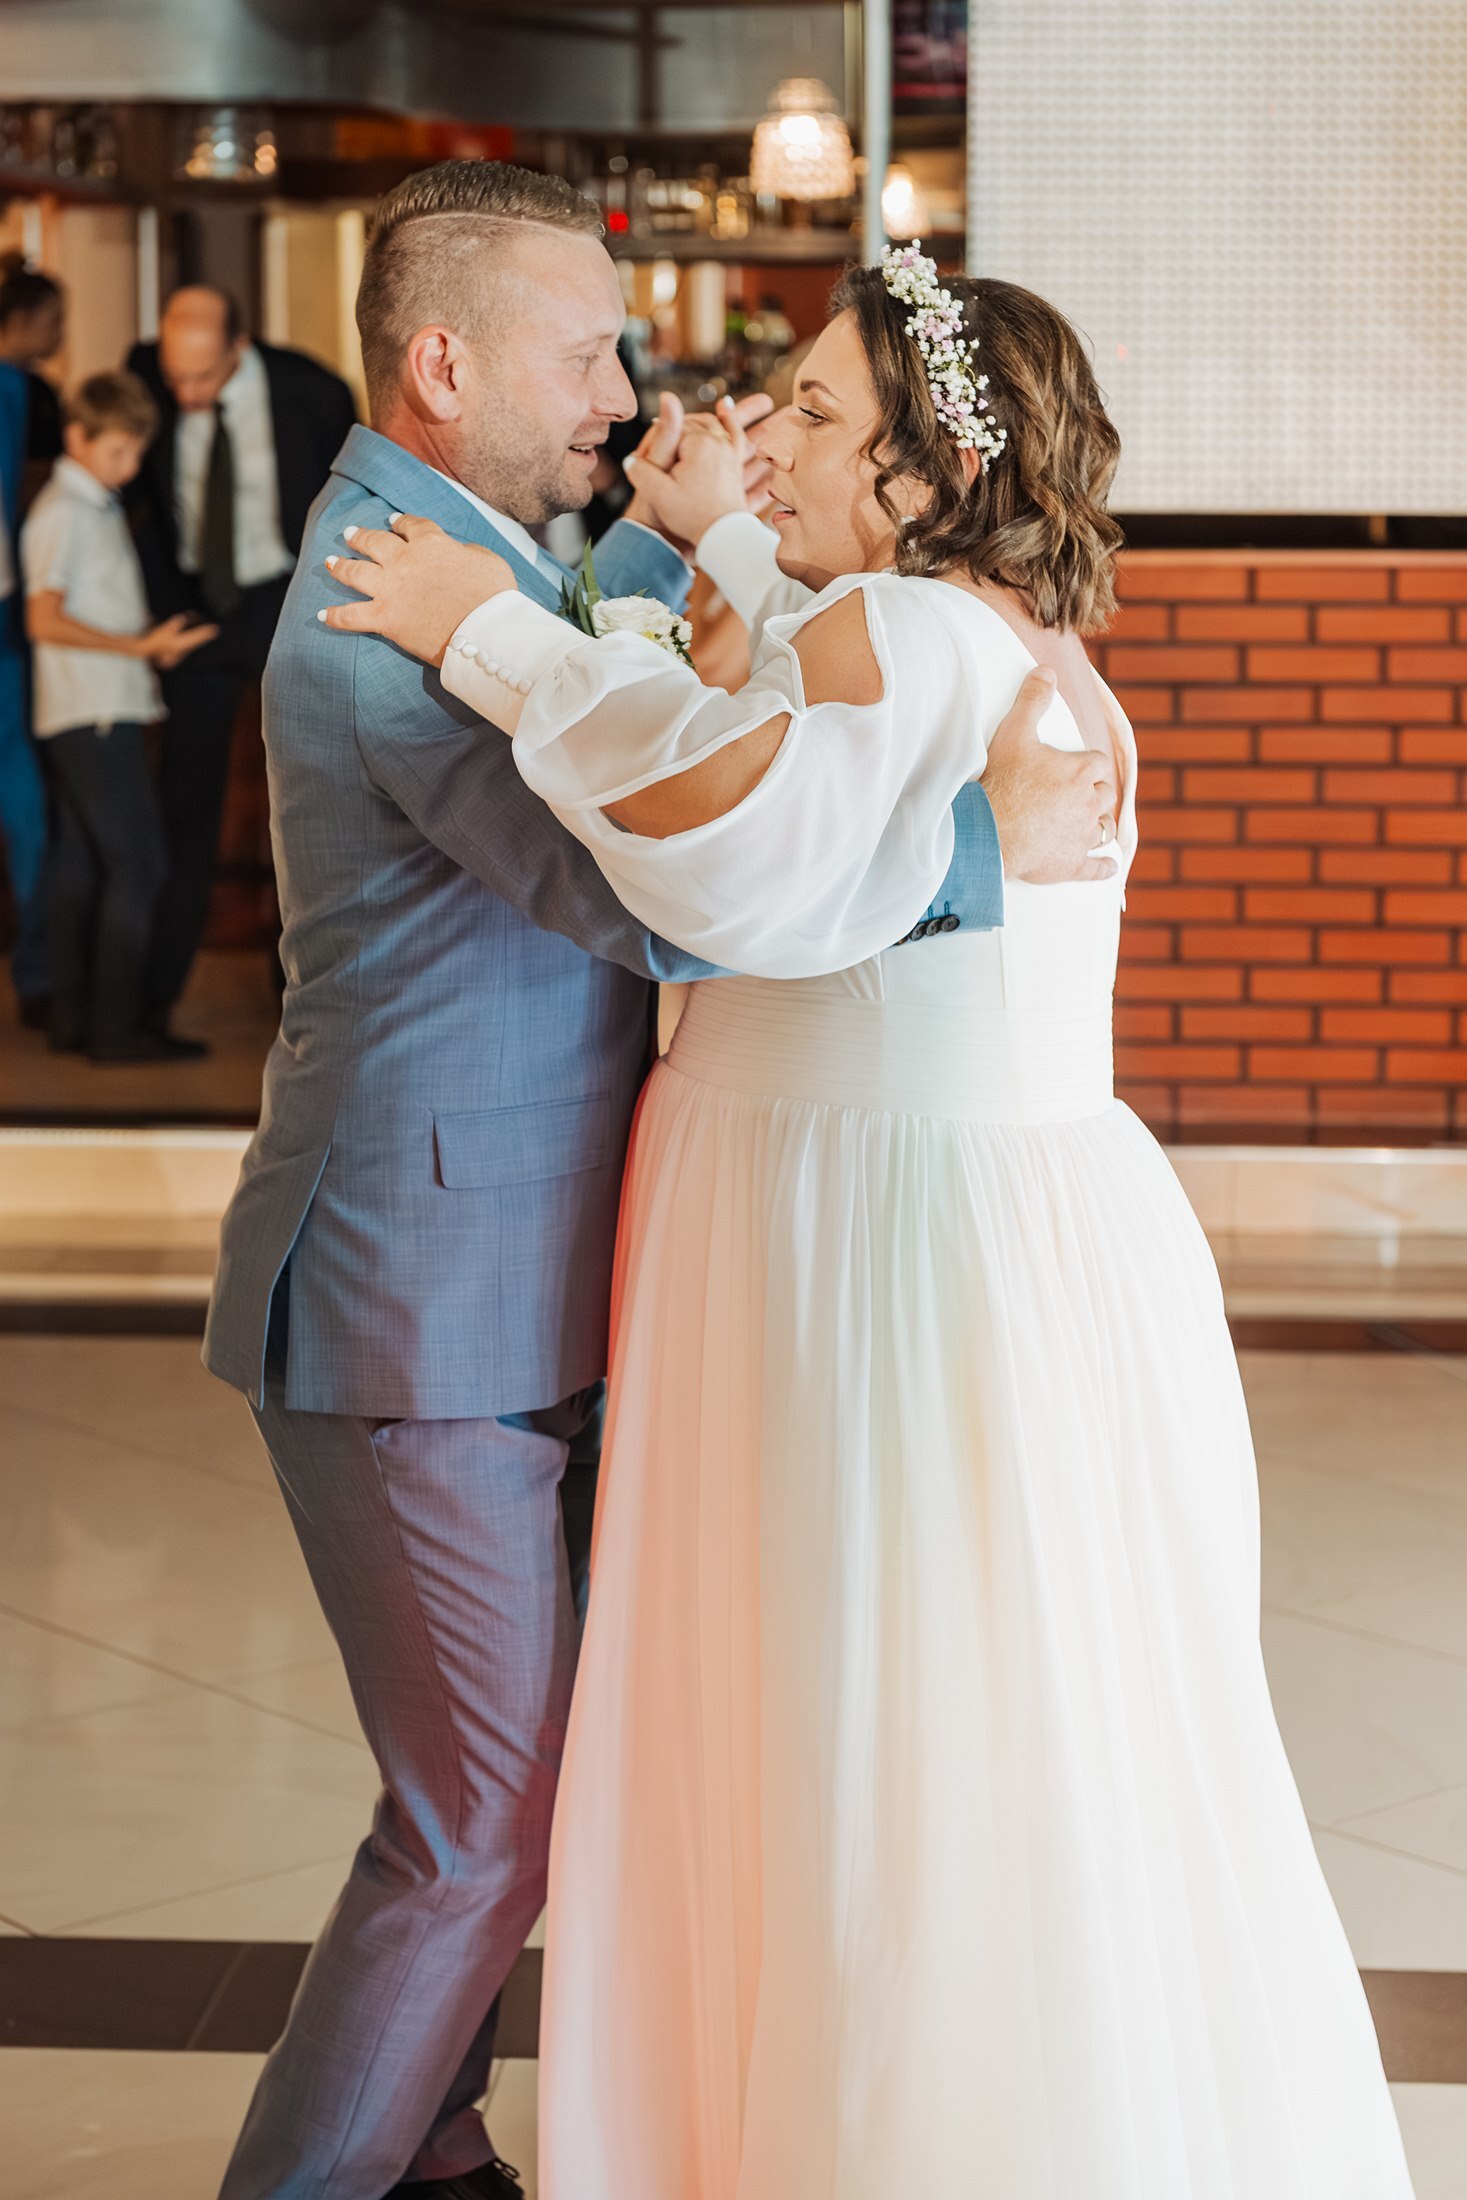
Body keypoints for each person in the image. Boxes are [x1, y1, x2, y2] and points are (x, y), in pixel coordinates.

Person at [328, 250, 1417, 2196]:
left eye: (818, 416)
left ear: (924, 476)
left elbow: (739, 837)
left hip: (867, 1232)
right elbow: (825, 730)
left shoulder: (901, 629)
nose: (772, 440)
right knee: (982, 1717)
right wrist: (719, 543)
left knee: (848, 1719)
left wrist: (484, 633)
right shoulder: (990, 634)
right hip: (987, 1215)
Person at [201, 161, 1109, 2200]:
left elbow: (620, 684)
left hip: (518, 1277)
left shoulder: (466, 556)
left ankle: (432, 2147)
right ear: (444, 366)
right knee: (481, 1824)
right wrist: (978, 848)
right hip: (419, 1301)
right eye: (589, 353)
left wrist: (672, 545)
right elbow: (660, 886)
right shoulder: (382, 607)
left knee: (500, 1797)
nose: (629, 393)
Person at [126, 286, 356, 1051]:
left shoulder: (313, 392)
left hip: (287, 602)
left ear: (238, 346)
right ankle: (149, 1001)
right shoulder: (143, 375)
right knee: (182, 804)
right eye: (175, 376)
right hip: (196, 611)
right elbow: (142, 505)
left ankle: (294, 997)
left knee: (305, 800)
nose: (185, 394)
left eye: (201, 377)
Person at [21, 372, 216, 1060]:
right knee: (140, 864)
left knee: (82, 865)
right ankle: (115, 1029)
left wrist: (148, 643)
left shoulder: (92, 506)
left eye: (137, 453)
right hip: (92, 710)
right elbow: (43, 618)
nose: (130, 467)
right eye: (118, 452)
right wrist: (139, 646)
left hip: (96, 706)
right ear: (77, 437)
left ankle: (76, 1021)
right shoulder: (64, 512)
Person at [0, 254, 63, 1026]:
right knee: (27, 806)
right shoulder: (19, 394)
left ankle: (41, 972)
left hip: (14, 615)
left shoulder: (25, 393)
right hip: (12, 617)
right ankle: (39, 977)